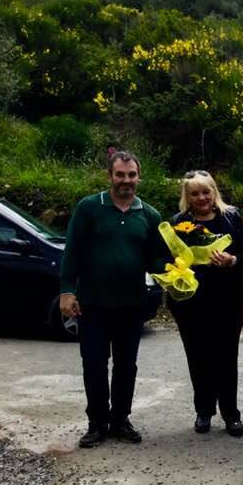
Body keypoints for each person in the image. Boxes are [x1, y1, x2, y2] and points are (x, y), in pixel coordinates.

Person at [60, 151, 164, 448]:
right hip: (92, 303)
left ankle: (120, 419)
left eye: (131, 175)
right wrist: (67, 290)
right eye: (120, 175)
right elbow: (72, 251)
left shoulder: (150, 214)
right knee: (94, 363)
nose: (126, 181)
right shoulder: (89, 208)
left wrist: (178, 269)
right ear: (110, 176)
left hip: (132, 304)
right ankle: (96, 423)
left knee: (126, 365)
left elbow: (156, 259)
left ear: (138, 177)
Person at [167, 170, 243, 437]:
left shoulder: (231, 218)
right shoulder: (178, 223)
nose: (201, 197)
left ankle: (231, 414)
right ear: (187, 197)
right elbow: (167, 260)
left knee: (227, 357)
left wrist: (232, 260)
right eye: (195, 193)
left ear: (214, 192)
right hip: (191, 302)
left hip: (227, 299)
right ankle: (204, 411)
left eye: (206, 191)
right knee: (198, 356)